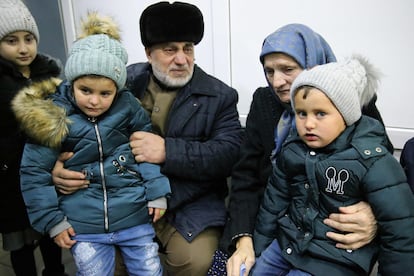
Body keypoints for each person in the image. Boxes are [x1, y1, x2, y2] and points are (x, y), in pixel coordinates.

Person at [50, 2, 243, 275]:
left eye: (187, 48)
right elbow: (64, 121)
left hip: (188, 204)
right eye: (169, 49)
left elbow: (230, 153)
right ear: (148, 53)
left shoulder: (219, 95)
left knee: (195, 261)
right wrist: (58, 168)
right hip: (120, 201)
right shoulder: (119, 82)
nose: (181, 59)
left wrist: (168, 151)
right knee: (108, 263)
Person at [219, 24, 393, 276]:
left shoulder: (353, 103)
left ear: (314, 66)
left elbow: (382, 174)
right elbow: (246, 177)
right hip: (270, 226)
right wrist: (244, 239)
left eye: (288, 69)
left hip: (330, 240)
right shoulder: (264, 101)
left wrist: (373, 214)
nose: (277, 81)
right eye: (269, 71)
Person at [12, 12, 171, 276]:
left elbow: (146, 154)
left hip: (134, 217)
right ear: (72, 82)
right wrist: (53, 221)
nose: (94, 101)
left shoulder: (129, 108)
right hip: (83, 226)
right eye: (85, 90)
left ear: (117, 90)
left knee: (150, 271)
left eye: (105, 93)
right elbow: (33, 174)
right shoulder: (53, 116)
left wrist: (157, 192)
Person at [251, 55, 414, 276]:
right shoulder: (292, 148)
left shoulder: (370, 159)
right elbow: (274, 202)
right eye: (301, 113)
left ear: (346, 115)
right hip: (289, 243)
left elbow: (400, 227)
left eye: (320, 114)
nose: (308, 124)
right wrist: (259, 249)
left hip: (335, 257)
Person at [0, 0, 67, 275]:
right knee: (20, 243)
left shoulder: (49, 73)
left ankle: (56, 271)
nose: (23, 47)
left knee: (50, 230)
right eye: (11, 40)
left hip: (46, 170)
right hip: (10, 175)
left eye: (28, 39)